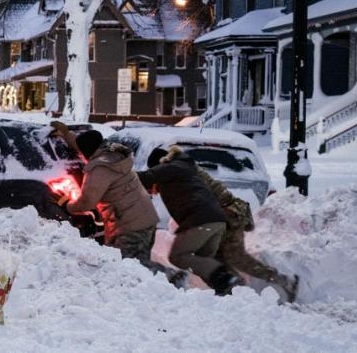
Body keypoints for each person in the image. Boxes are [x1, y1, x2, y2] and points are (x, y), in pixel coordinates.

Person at [51, 123, 160, 270]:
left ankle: (171, 280)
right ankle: (168, 281)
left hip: (129, 228)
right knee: (140, 265)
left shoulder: (100, 169)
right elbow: (84, 145)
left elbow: (87, 202)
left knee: (125, 270)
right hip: (145, 218)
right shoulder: (111, 153)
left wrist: (67, 205)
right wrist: (67, 133)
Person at [139, 147, 240, 295]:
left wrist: (120, 173)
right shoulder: (183, 167)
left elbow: (145, 177)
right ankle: (226, 293)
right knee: (203, 263)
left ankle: (226, 277)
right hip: (216, 221)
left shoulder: (170, 167)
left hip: (200, 220)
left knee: (178, 256)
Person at [195, 166, 299, 302]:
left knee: (236, 257)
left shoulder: (181, 175)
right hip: (224, 217)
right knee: (219, 257)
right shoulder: (185, 171)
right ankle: (236, 292)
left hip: (228, 218)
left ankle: (281, 282)